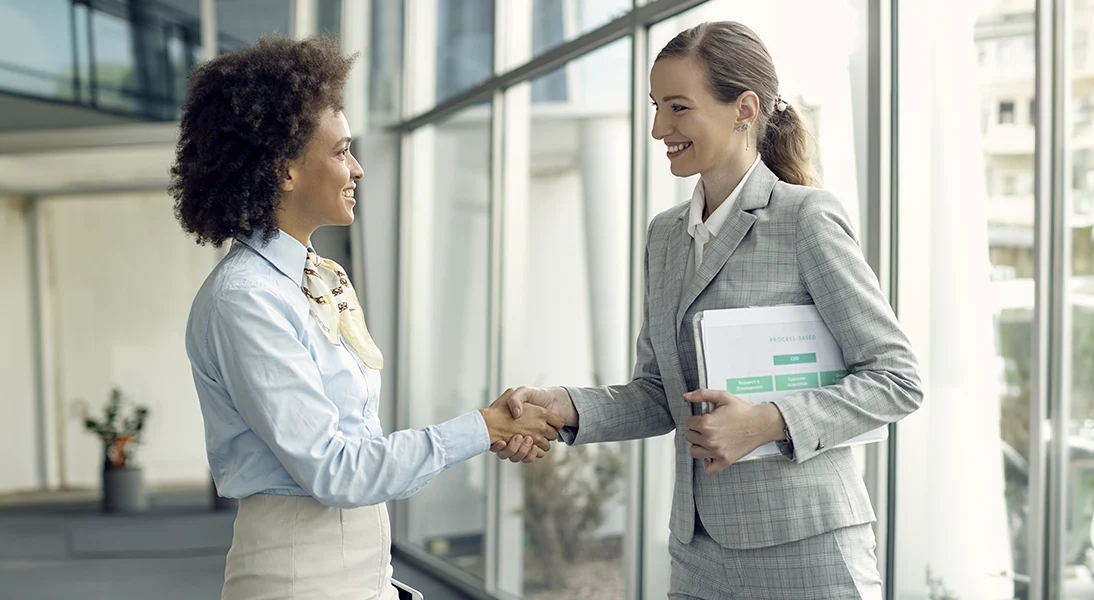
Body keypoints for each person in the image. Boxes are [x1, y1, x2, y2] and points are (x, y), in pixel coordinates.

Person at [490, 21, 923, 600]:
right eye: (655, 107)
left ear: (744, 108)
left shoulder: (805, 220)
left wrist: (766, 421)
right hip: (699, 553)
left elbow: (897, 380)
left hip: (807, 548)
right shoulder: (666, 236)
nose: (657, 128)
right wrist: (564, 407)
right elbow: (657, 393)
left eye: (676, 108)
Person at [173, 37, 563, 600]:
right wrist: (484, 427)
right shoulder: (246, 299)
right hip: (299, 578)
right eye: (341, 151)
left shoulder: (312, 278)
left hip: (353, 570)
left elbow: (355, 448)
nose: (356, 169)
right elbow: (335, 471)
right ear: (284, 170)